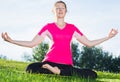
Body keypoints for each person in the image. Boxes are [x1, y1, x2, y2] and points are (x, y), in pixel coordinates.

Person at [1, 1, 118, 79]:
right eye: (57, 8)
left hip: (66, 65)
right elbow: (32, 44)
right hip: (49, 63)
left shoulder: (72, 28)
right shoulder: (48, 27)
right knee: (30, 68)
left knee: (92, 74)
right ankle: (55, 71)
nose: (60, 10)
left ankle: (58, 72)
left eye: (62, 8)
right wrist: (12, 41)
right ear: (53, 11)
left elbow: (89, 43)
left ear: (66, 11)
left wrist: (108, 37)